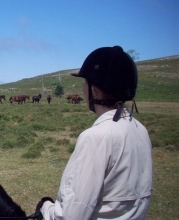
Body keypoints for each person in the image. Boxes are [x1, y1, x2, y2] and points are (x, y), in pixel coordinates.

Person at [39, 46, 153, 219]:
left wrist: (45, 208)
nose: (83, 89)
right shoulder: (140, 130)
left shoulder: (95, 138)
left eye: (85, 83)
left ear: (95, 90)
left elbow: (73, 214)